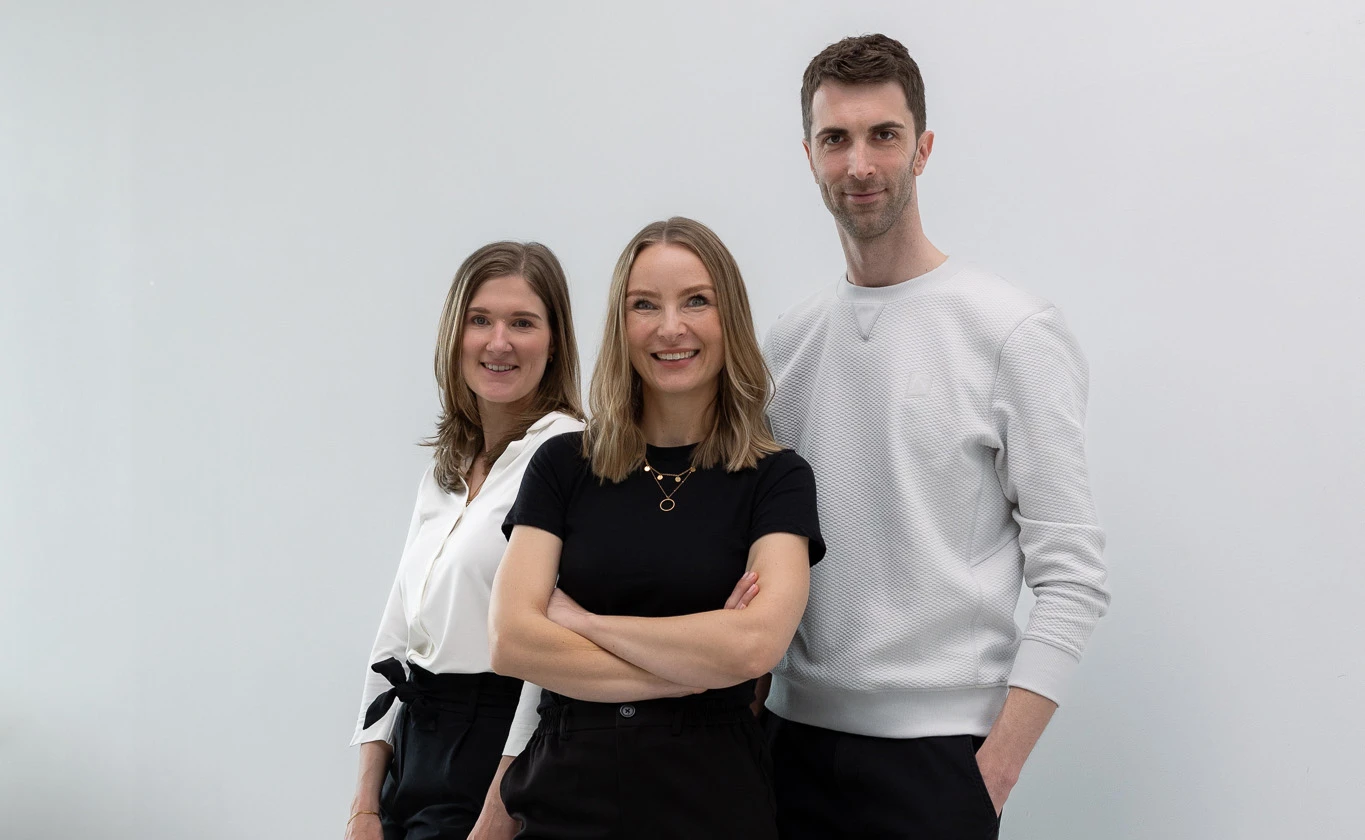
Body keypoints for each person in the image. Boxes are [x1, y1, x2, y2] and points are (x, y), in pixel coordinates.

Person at [760, 34, 1112, 839]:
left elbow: (1072, 575)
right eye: (835, 138)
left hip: (938, 764)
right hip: (787, 747)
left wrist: (995, 770)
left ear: (921, 148)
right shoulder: (787, 344)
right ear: (809, 156)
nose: (859, 165)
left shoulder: (1011, 332)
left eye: (882, 135)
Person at [488, 216, 824, 839]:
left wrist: (584, 624)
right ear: (621, 324)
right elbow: (512, 641)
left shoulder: (777, 478)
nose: (671, 327)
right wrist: (698, 668)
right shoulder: (562, 465)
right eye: (645, 305)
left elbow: (754, 647)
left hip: (711, 805)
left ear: (730, 317)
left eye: (696, 300)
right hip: (565, 799)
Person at [346, 241, 585, 840]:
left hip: (498, 748)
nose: (498, 342)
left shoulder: (570, 456)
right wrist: (365, 804)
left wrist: (498, 811)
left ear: (555, 342)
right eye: (480, 320)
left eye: (522, 323)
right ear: (455, 335)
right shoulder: (447, 466)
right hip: (414, 743)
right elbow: (396, 632)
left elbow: (549, 665)